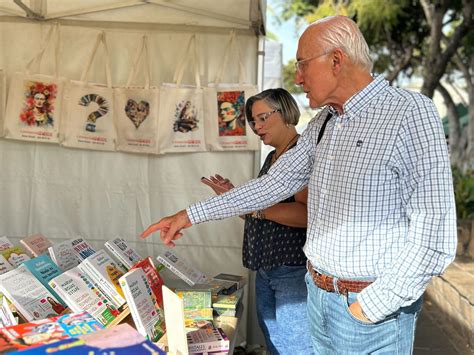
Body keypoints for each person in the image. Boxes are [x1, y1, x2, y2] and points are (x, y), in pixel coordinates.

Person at [141, 15, 457, 354]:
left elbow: (435, 233)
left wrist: (374, 305)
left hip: (368, 309)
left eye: (303, 65)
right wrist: (189, 215)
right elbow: (272, 184)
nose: (298, 78)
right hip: (318, 297)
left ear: (336, 60)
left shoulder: (409, 112)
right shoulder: (324, 122)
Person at [203, 88, 313, 355]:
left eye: (263, 118)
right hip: (266, 269)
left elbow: (306, 214)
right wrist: (236, 198)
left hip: (291, 270)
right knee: (275, 343)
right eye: (253, 121)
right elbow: (258, 214)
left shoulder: (300, 154)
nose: (256, 126)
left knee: (296, 348)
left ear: (286, 113)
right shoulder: (272, 157)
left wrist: (253, 206)